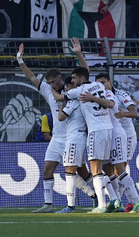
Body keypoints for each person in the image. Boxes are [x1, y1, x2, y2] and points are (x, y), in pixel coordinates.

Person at [17, 37, 93, 213]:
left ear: (60, 78)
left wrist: (78, 53)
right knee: (47, 170)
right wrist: (20, 60)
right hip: (57, 138)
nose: (52, 85)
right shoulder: (48, 91)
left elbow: (85, 72)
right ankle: (48, 204)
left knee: (80, 171)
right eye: (49, 82)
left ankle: (97, 195)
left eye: (54, 82)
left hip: (73, 137)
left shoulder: (72, 90)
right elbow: (31, 77)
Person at [54, 67, 114, 213]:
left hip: (79, 136)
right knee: (93, 170)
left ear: (79, 80)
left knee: (76, 170)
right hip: (104, 130)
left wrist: (52, 90)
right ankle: (113, 198)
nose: (71, 82)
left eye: (72, 80)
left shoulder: (76, 95)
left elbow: (61, 116)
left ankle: (72, 206)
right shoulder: (98, 85)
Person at [93, 73, 139, 213]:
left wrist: (123, 114)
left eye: (104, 82)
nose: (102, 86)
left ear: (110, 81)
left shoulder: (120, 95)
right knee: (109, 170)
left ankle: (131, 201)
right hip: (109, 134)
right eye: (98, 83)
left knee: (120, 169)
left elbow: (134, 113)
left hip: (126, 135)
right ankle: (118, 201)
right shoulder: (100, 96)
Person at [54, 76, 97, 213]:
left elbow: (61, 117)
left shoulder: (73, 101)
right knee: (82, 170)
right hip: (80, 136)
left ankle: (70, 206)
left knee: (69, 171)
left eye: (67, 87)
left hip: (75, 138)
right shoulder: (82, 98)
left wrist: (62, 104)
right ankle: (96, 194)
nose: (66, 89)